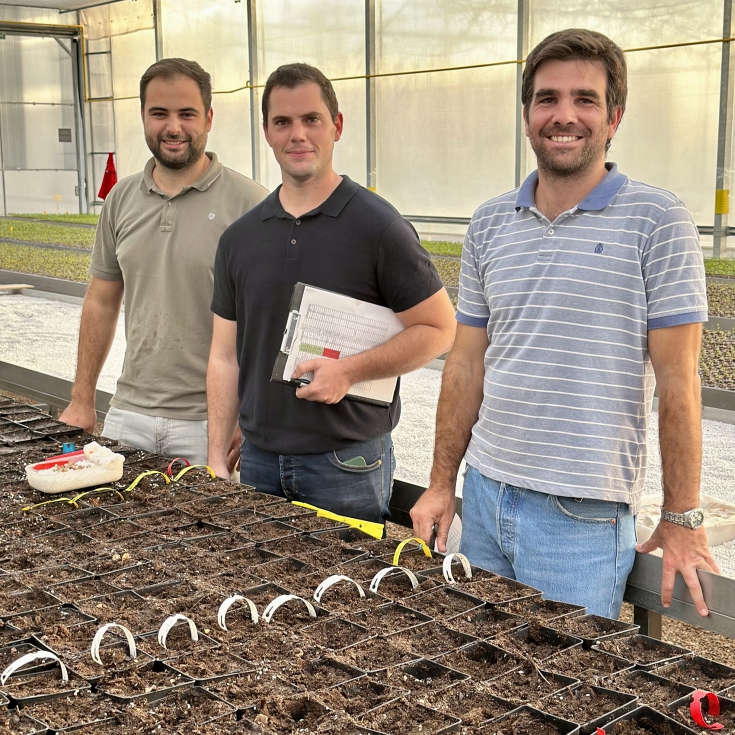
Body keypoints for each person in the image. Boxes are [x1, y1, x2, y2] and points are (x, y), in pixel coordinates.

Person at [410, 28, 719, 618]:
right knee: (478, 681)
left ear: (614, 117)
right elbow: (466, 362)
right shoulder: (489, 224)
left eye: (585, 100)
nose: (564, 116)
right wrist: (443, 482)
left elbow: (679, 383)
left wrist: (682, 517)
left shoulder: (658, 220)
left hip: (580, 519)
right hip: (485, 495)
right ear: (527, 114)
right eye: (547, 99)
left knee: (564, 696)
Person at [207, 63, 455, 523]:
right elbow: (224, 356)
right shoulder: (239, 239)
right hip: (258, 461)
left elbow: (440, 328)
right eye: (282, 122)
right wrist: (217, 454)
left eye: (311, 119)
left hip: (347, 465)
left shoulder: (379, 227)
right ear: (267, 131)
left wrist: (350, 371)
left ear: (336, 126)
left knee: (344, 591)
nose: (297, 134)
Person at [60, 58, 268, 465]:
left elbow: (270, 320)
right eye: (160, 114)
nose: (173, 128)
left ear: (208, 117)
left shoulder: (251, 206)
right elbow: (101, 300)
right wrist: (83, 397)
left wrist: (250, 413)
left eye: (187, 114)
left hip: (211, 425)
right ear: (143, 117)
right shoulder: (120, 199)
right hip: (128, 415)